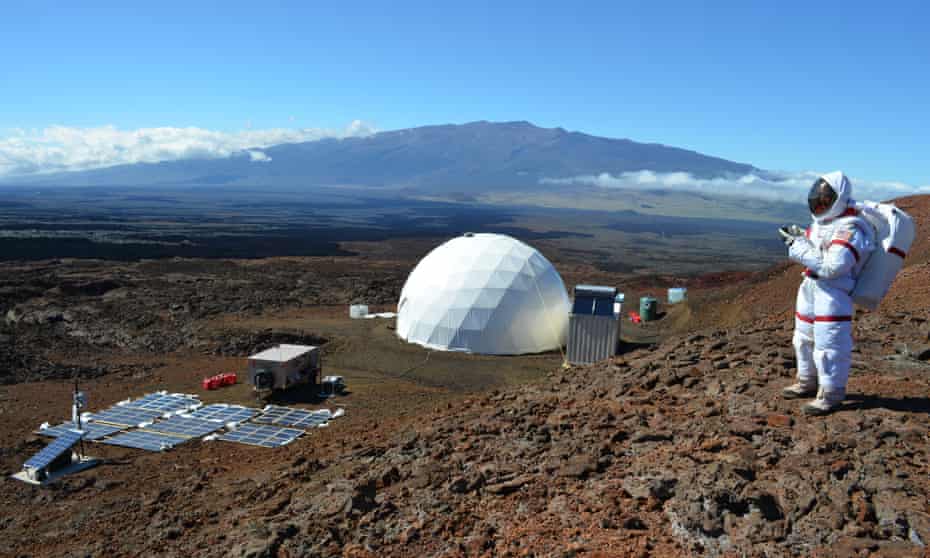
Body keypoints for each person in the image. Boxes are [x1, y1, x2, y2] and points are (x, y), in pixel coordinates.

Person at [777, 171, 874, 415]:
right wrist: (800, 237)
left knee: (829, 342)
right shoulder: (824, 224)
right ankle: (807, 381)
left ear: (839, 199)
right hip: (811, 286)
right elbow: (818, 252)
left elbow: (833, 267)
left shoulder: (851, 229)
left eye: (825, 199)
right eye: (817, 199)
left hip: (833, 292)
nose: (820, 203)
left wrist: (796, 247)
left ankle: (831, 393)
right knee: (803, 337)